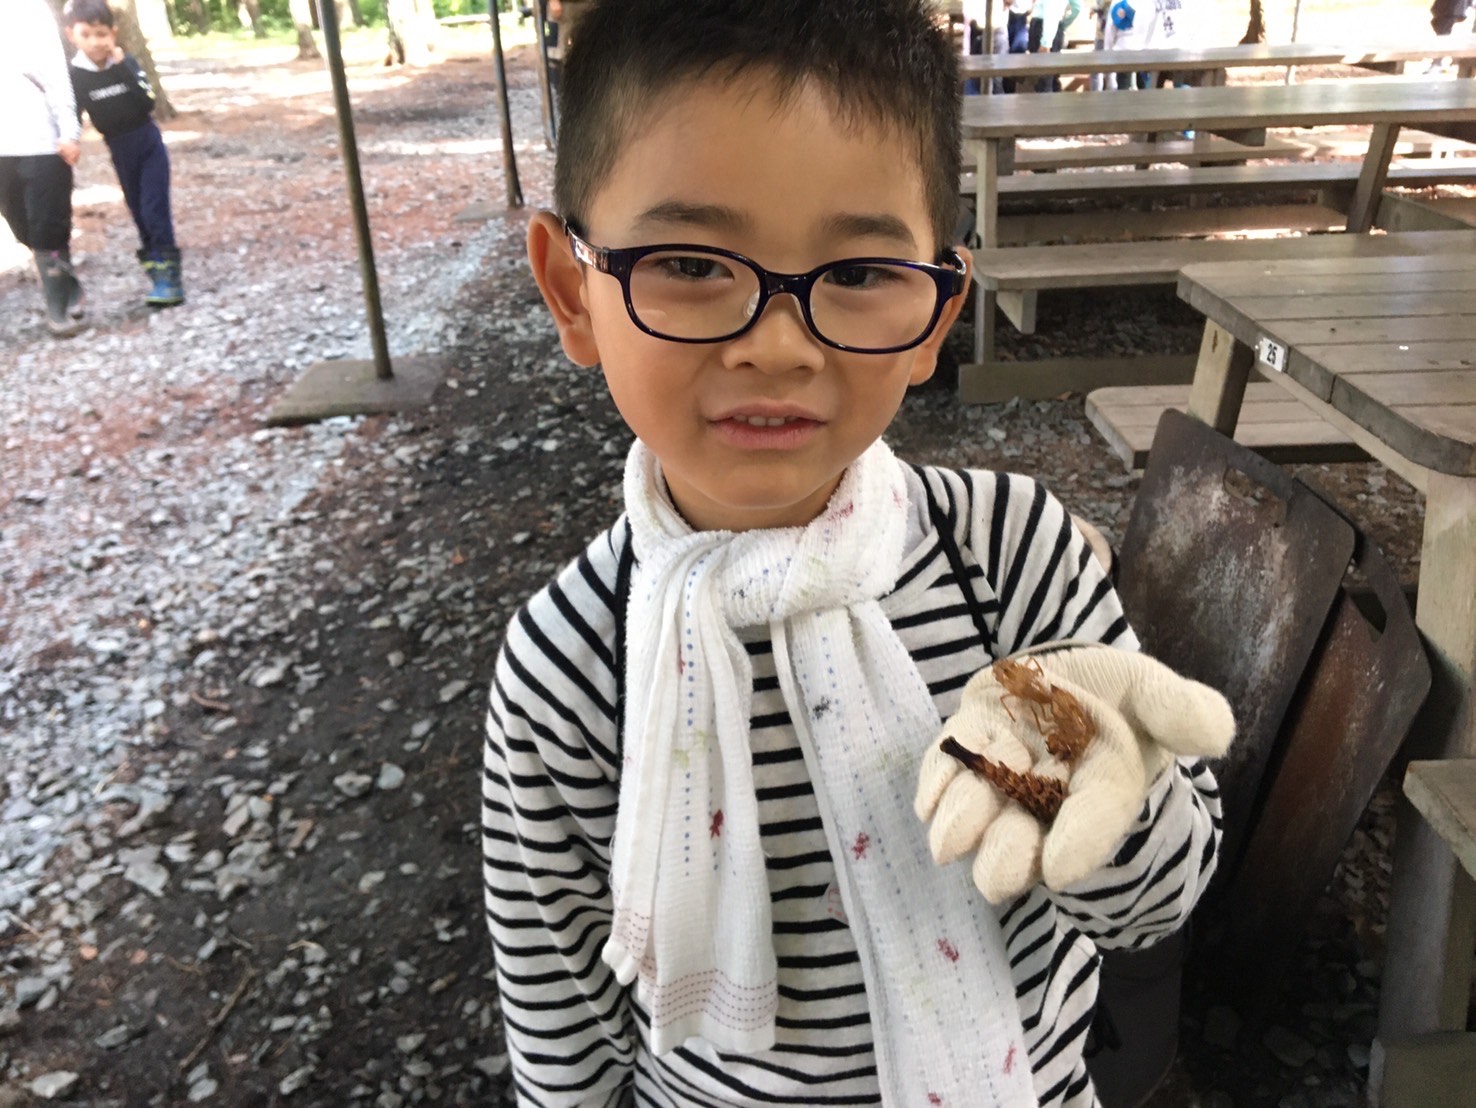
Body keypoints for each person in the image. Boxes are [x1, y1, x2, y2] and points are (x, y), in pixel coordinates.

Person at [480, 1, 1229, 1104]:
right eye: (688, 262)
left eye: (861, 274)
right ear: (570, 289)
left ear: (937, 314)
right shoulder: (571, 663)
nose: (777, 344)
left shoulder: (1013, 558)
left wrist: (1092, 765)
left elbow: (1154, 908)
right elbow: (565, 1037)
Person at [63, 0, 183, 308]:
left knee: (154, 207)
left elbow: (147, 102)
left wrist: (121, 68)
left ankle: (170, 276)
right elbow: (73, 113)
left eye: (101, 34)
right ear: (71, 35)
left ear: (113, 33)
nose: (95, 42)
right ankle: (155, 268)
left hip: (148, 143)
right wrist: (69, 141)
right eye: (86, 34)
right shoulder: (76, 75)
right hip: (119, 149)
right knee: (139, 211)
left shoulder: (126, 62)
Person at [2, 0, 85, 335]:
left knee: (47, 224)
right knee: (21, 225)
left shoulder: (31, 11)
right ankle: (66, 281)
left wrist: (69, 131)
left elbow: (56, 75)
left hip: (42, 141)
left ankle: (57, 308)